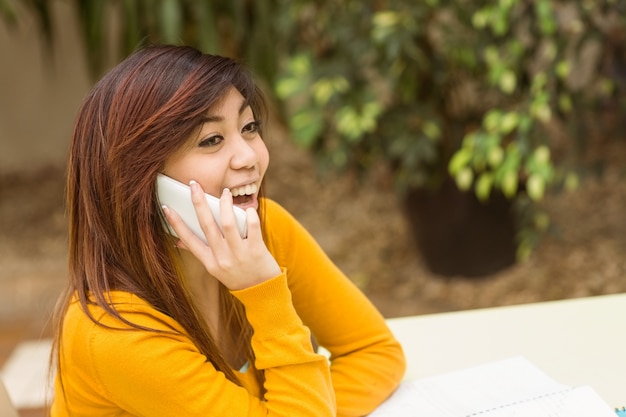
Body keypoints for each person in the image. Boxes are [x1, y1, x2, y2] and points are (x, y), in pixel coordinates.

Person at [50, 44, 405, 417]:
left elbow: (375, 351)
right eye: (211, 140)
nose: (250, 157)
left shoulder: (265, 230)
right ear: (141, 178)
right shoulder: (116, 333)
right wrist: (265, 294)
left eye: (249, 128)